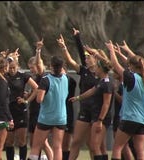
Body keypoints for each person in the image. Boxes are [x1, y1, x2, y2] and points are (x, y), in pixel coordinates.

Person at [57, 30, 100, 160]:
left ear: (96, 58)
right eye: (85, 57)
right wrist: (64, 47)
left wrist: (78, 39)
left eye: (88, 57)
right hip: (84, 109)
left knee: (93, 145)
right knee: (76, 142)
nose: (86, 59)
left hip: (97, 111)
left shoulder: (102, 73)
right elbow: (70, 61)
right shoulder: (84, 71)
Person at [106, 40, 144, 160]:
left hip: (130, 118)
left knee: (117, 147)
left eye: (129, 65)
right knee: (140, 150)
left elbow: (115, 65)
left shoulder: (131, 78)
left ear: (132, 66)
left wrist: (111, 50)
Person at [69, 47, 114, 160]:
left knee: (95, 146)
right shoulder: (101, 82)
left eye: (98, 68)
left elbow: (106, 104)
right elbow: (90, 91)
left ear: (101, 69)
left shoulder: (107, 83)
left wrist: (100, 121)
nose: (96, 70)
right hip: (95, 116)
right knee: (95, 146)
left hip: (101, 118)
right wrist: (78, 97)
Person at [28, 56, 69, 160]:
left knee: (36, 146)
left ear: (51, 66)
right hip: (61, 117)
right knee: (58, 147)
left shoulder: (46, 80)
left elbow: (39, 99)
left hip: (46, 117)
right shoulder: (65, 78)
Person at [5, 48, 38, 160]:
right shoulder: (4, 76)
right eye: (10, 67)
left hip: (21, 111)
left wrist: (27, 100)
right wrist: (7, 56)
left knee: (21, 141)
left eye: (14, 67)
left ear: (18, 66)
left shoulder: (23, 76)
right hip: (9, 111)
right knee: (9, 141)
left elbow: (36, 88)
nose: (12, 70)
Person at [27, 39, 53, 160]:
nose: (32, 70)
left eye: (33, 67)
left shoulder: (43, 75)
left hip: (41, 113)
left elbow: (38, 63)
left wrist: (38, 50)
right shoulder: (35, 78)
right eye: (30, 68)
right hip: (33, 111)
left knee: (43, 142)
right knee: (33, 142)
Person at [61, 66, 77, 160]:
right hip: (56, 114)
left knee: (66, 143)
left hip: (67, 113)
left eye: (61, 69)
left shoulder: (71, 81)